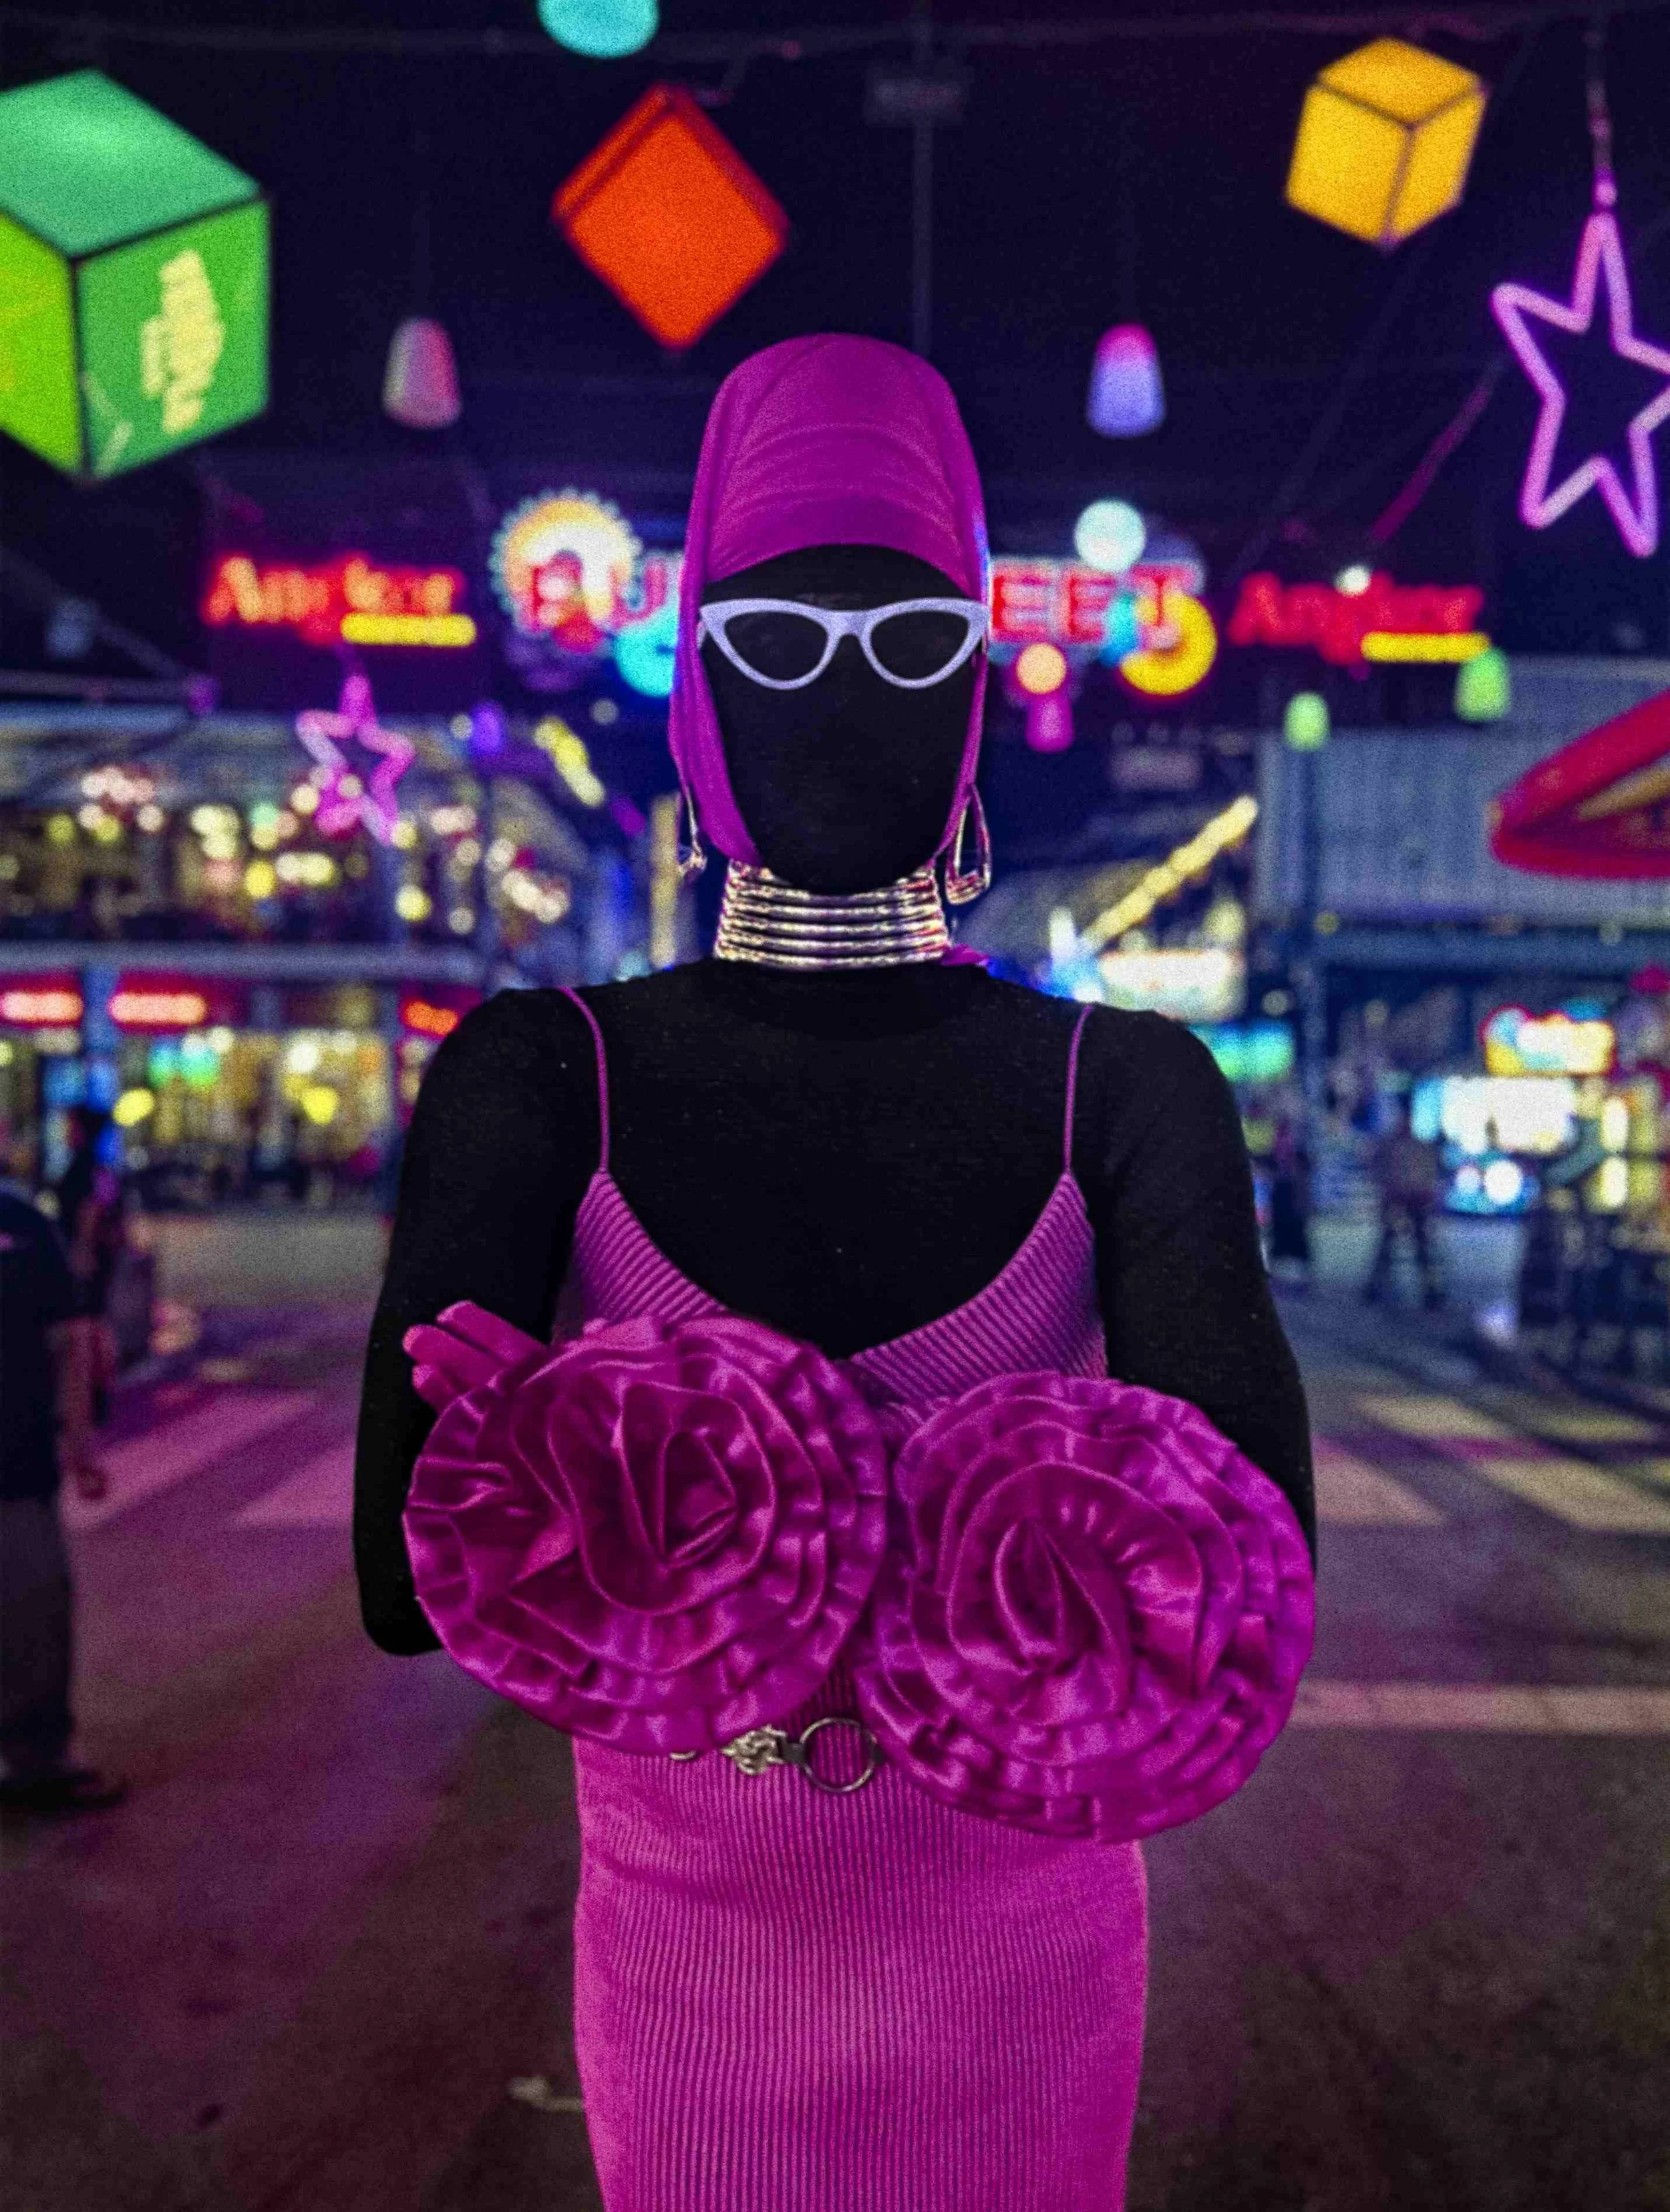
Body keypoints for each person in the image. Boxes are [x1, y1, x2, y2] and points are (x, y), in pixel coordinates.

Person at [354, 336, 1315, 2212]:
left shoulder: (1122, 1083)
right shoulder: (544, 1068)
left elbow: (1247, 1605)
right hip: (692, 1977)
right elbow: (403, 1583)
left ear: (974, 682)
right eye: (777, 646)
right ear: (695, 676)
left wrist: (626, 1473)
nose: (841, 707)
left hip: (1015, 1980)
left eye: (907, 647)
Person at [0, 1142, 126, 1815]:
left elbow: (70, 1339)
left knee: (35, 1612)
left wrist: (79, 1445)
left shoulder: (22, 1227)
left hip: (16, 1462)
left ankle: (40, 1756)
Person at [52, 1104, 128, 1421]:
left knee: (87, 1329)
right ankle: (100, 1393)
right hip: (98, 1258)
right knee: (97, 1324)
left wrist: (81, 1255)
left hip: (85, 1260)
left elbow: (89, 1212)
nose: (66, 1132)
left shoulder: (83, 1167)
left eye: (70, 1126)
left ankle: (92, 1396)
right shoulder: (101, 1168)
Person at [1362, 1092, 1446, 1310]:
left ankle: (1431, 1291)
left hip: (1415, 1201)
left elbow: (1429, 1173)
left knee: (1421, 1249)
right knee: (1390, 1246)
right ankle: (1377, 1287)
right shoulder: (1394, 1145)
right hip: (1397, 1200)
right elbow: (1379, 1170)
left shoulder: (1418, 1146)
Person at [1268, 1115, 1314, 1287]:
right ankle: (1280, 1274)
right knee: (1281, 1233)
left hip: (1295, 1193)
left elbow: (1305, 1173)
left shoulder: (1299, 1149)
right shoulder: (1275, 1145)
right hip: (1282, 1192)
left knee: (1297, 1234)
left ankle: (1302, 1276)